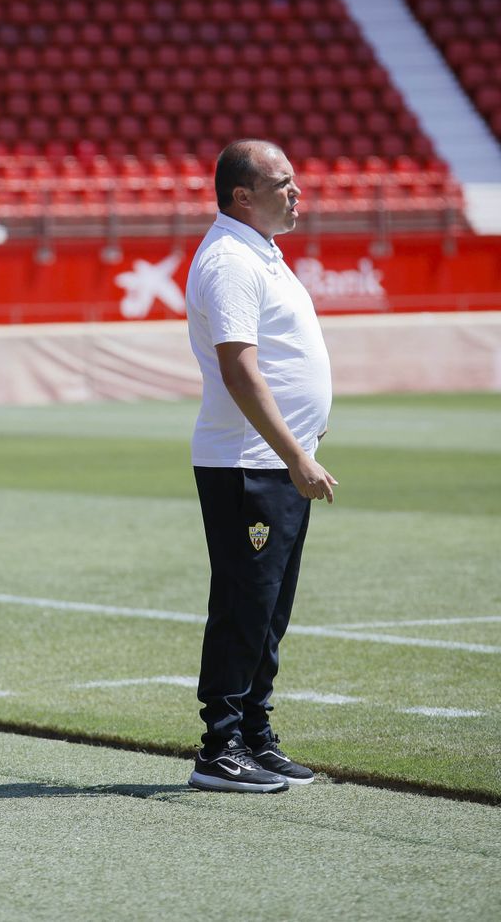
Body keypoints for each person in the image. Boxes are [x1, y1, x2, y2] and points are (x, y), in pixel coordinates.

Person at [183, 139, 337, 792]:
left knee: (269, 609)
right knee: (246, 605)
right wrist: (296, 453)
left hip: (272, 467)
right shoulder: (228, 260)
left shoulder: (261, 254)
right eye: (283, 182)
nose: (296, 192)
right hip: (250, 465)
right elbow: (239, 368)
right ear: (243, 195)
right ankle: (220, 747)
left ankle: (254, 733)